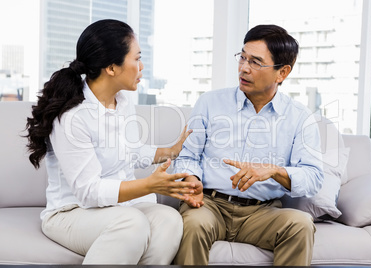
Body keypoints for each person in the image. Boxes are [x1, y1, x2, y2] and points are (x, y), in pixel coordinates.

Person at [25, 19, 200, 265]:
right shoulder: (73, 117)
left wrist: (170, 151)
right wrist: (150, 185)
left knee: (169, 219)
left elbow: (131, 150)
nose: (142, 66)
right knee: (132, 223)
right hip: (72, 212)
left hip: (119, 209)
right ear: (111, 68)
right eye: (136, 58)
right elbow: (88, 192)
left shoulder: (123, 102)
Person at [173, 24, 324, 266]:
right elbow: (187, 156)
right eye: (242, 57)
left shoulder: (299, 117)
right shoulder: (210, 103)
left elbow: (313, 177)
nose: (243, 68)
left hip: (262, 213)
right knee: (194, 224)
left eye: (255, 62)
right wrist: (191, 180)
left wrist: (274, 171)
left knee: (300, 225)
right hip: (210, 205)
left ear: (282, 73)